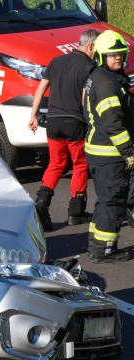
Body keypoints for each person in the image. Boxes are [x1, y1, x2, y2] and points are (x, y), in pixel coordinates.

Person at [28, 29, 100, 231]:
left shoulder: (56, 61)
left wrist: (33, 115)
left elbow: (41, 88)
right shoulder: (90, 67)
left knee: (56, 163)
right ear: (91, 46)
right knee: (80, 164)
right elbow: (85, 98)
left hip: (53, 122)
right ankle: (76, 212)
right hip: (74, 122)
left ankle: (42, 203)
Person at [83, 30, 134, 263]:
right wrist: (129, 152)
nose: (118, 59)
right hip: (110, 153)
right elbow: (113, 123)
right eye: (113, 55)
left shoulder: (100, 76)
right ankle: (104, 252)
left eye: (121, 55)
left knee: (105, 201)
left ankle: (97, 246)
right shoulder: (106, 83)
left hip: (100, 152)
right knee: (113, 203)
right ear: (102, 56)